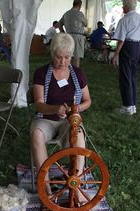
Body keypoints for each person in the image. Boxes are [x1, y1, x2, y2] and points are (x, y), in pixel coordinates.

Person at [30, 33, 91, 199]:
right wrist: (55, 109)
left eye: (67, 57)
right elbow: (38, 104)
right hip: (46, 118)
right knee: (36, 133)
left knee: (78, 137)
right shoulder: (41, 73)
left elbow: (88, 101)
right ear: (52, 54)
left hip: (69, 121)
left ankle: (76, 186)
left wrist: (76, 107)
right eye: (59, 57)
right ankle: (46, 187)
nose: (63, 62)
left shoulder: (78, 74)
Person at [111, 0, 140, 115]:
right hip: (137, 47)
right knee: (132, 76)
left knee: (125, 76)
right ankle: (133, 105)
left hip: (127, 47)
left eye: (123, 5)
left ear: (126, 7)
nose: (122, 7)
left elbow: (121, 40)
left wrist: (115, 54)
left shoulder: (124, 20)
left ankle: (127, 106)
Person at [59, 0, 88, 68]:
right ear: (80, 5)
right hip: (78, 36)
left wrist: (63, 33)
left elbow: (59, 24)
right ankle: (75, 73)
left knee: (68, 55)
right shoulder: (80, 14)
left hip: (68, 36)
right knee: (76, 57)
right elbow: (86, 24)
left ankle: (67, 71)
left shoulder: (66, 13)